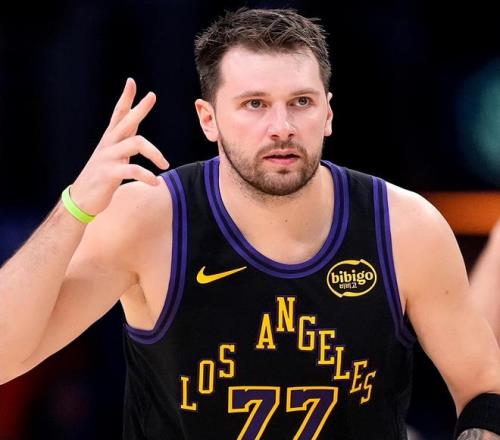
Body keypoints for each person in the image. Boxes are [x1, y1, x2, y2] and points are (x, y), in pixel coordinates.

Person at [0, 7, 499, 439]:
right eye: (254, 104)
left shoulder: (403, 226)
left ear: (327, 114)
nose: (281, 127)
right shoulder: (148, 218)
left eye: (301, 102)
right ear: (208, 119)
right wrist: (74, 207)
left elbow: (484, 388)